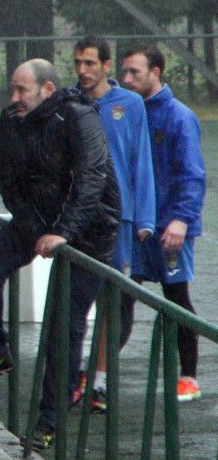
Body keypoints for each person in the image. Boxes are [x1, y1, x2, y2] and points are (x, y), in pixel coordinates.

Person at [0, 59, 119, 450]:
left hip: (90, 230)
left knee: (62, 324)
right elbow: (8, 180)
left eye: (21, 90)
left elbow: (91, 181)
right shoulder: (11, 119)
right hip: (37, 221)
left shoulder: (79, 117)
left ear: (47, 90)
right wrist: (36, 230)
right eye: (12, 89)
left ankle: (50, 420)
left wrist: (62, 233)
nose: (13, 98)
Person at [71, 36, 155, 413]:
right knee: (72, 299)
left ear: (107, 66)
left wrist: (145, 217)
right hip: (77, 215)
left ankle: (99, 381)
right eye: (78, 63)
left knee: (112, 300)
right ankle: (70, 376)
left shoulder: (130, 104)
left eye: (90, 63)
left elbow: (141, 162)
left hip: (118, 218)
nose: (83, 71)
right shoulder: (70, 102)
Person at [120, 45, 207, 401]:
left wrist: (181, 221)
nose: (126, 80)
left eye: (134, 73)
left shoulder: (179, 117)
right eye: (124, 72)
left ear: (155, 72)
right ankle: (97, 375)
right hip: (139, 226)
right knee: (121, 295)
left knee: (177, 298)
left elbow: (192, 175)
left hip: (171, 228)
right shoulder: (129, 112)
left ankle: (188, 377)